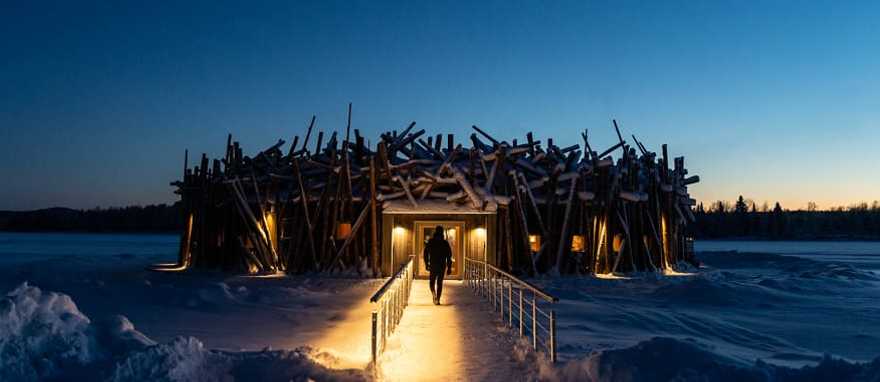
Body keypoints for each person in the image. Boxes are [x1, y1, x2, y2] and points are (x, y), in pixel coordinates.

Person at [423, 225, 452, 305]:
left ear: (435, 231)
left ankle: (434, 294)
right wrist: (449, 267)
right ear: (442, 232)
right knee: (439, 282)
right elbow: (449, 256)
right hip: (442, 265)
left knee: (432, 282)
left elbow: (425, 253)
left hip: (433, 264)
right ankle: (438, 299)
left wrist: (426, 263)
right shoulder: (445, 243)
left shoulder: (431, 241)